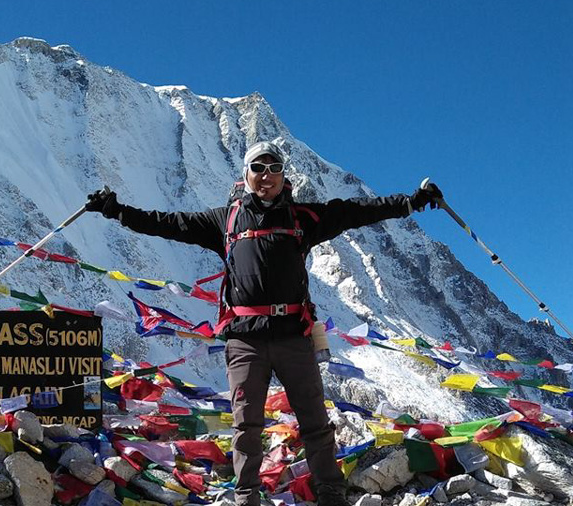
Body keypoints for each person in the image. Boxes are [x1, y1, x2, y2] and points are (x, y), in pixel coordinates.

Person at [86, 141, 442, 506]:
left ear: (284, 174)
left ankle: (331, 495)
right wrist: (116, 211)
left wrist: (411, 201)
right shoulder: (222, 221)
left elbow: (356, 211)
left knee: (314, 422)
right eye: (259, 168)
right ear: (246, 174)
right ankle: (246, 497)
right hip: (245, 342)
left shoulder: (304, 218)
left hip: (294, 336)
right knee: (246, 426)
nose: (266, 176)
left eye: (274, 168)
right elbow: (166, 224)